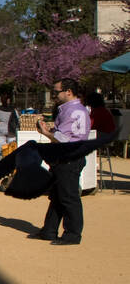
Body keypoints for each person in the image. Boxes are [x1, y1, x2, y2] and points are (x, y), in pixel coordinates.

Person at [32, 78, 90, 245]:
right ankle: (49, 230)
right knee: (57, 195)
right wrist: (49, 131)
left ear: (68, 91)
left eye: (56, 92)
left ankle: (72, 234)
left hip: (69, 157)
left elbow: (64, 139)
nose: (54, 95)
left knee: (68, 196)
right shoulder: (70, 109)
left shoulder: (74, 111)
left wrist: (46, 133)